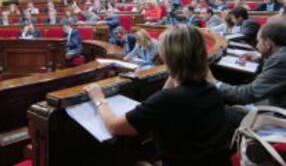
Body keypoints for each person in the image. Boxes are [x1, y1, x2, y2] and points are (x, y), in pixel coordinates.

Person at [85, 25, 231, 166]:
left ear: (166, 58)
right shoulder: (211, 91)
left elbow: (114, 126)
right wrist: (175, 70)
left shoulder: (169, 100)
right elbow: (167, 93)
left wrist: (99, 99)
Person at [210, 19, 286, 108]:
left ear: (268, 44)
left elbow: (248, 94)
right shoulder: (281, 55)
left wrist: (215, 83)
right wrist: (260, 56)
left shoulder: (280, 60)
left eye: (258, 41)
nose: (257, 46)